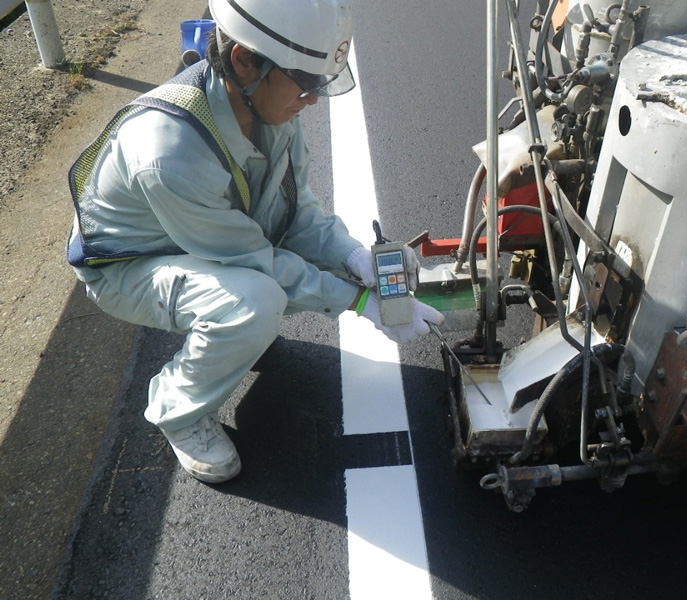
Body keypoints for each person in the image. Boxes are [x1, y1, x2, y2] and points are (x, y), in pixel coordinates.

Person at [66, 0, 444, 483]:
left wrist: (353, 257)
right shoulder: (169, 152)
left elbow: (295, 212)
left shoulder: (269, 107)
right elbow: (256, 260)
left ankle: (237, 341)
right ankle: (178, 411)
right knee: (255, 301)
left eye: (321, 83)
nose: (312, 99)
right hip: (129, 267)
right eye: (305, 82)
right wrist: (361, 301)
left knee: (307, 277)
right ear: (245, 60)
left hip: (203, 239)